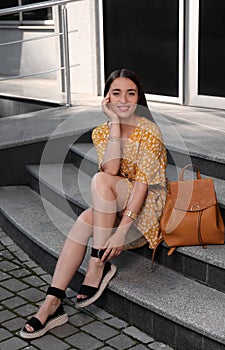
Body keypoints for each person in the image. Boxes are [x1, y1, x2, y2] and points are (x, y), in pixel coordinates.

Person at [20, 68, 167, 339]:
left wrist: (122, 231)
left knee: (100, 182)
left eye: (130, 93)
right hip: (115, 196)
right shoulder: (102, 132)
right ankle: (52, 302)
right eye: (116, 93)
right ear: (107, 98)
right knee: (87, 212)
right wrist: (114, 124)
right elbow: (112, 170)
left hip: (145, 204)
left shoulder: (149, 130)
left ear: (139, 98)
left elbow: (143, 184)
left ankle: (98, 262)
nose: (123, 100)